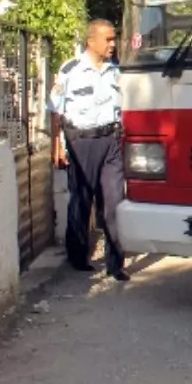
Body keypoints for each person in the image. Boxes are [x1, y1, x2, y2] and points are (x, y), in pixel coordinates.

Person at [49, 18, 130, 281]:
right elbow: (55, 111)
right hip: (81, 141)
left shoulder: (115, 71)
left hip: (110, 142)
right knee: (81, 200)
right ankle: (78, 257)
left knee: (114, 202)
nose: (112, 44)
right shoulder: (70, 70)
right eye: (107, 39)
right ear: (91, 41)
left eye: (113, 38)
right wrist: (56, 146)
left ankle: (116, 263)